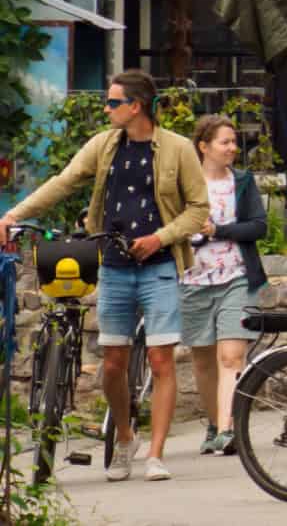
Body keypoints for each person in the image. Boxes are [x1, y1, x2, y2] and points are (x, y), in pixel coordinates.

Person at [0, 70, 207, 482]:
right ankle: (125, 436)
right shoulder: (104, 146)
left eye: (113, 103)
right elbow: (63, 183)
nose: (106, 109)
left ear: (137, 106)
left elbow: (198, 209)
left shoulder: (179, 149)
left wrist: (160, 237)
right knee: (112, 363)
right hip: (113, 265)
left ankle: (156, 454)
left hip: (160, 266)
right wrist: (12, 215)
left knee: (161, 358)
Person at [183, 114, 267, 457]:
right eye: (224, 142)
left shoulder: (243, 183)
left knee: (231, 356)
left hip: (237, 277)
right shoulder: (184, 185)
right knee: (203, 360)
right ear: (204, 147)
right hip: (191, 280)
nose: (232, 148)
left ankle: (229, 429)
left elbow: (258, 227)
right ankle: (215, 424)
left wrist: (219, 231)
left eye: (234, 142)